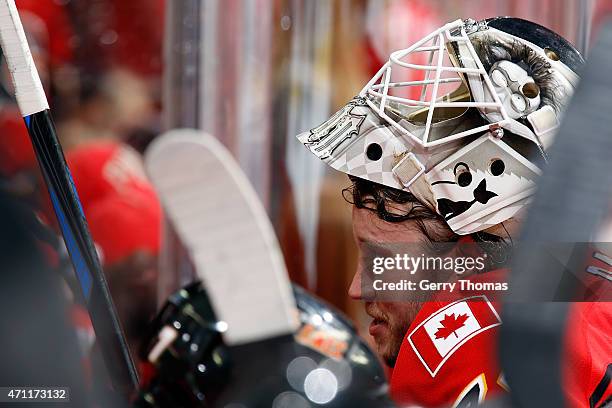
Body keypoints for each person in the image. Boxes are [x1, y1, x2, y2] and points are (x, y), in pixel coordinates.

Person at [297, 17, 611, 407]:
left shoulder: (464, 337)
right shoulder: (591, 272)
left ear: (466, 245)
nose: (357, 288)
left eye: (382, 259)